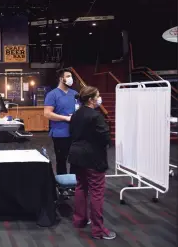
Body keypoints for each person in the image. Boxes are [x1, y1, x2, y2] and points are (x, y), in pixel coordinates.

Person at [68, 86, 115, 240]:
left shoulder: (75, 115)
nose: (99, 98)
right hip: (93, 158)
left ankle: (79, 220)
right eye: (98, 95)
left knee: (81, 187)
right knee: (96, 192)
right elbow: (105, 138)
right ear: (91, 99)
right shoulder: (96, 116)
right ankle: (98, 230)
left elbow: (72, 134)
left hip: (76, 156)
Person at [44, 68, 78, 175]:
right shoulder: (52, 94)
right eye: (68, 76)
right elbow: (47, 113)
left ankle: (74, 185)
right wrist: (66, 118)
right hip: (60, 133)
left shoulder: (75, 94)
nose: (70, 79)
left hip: (75, 133)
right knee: (61, 161)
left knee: (76, 161)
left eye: (71, 76)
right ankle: (63, 186)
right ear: (61, 79)